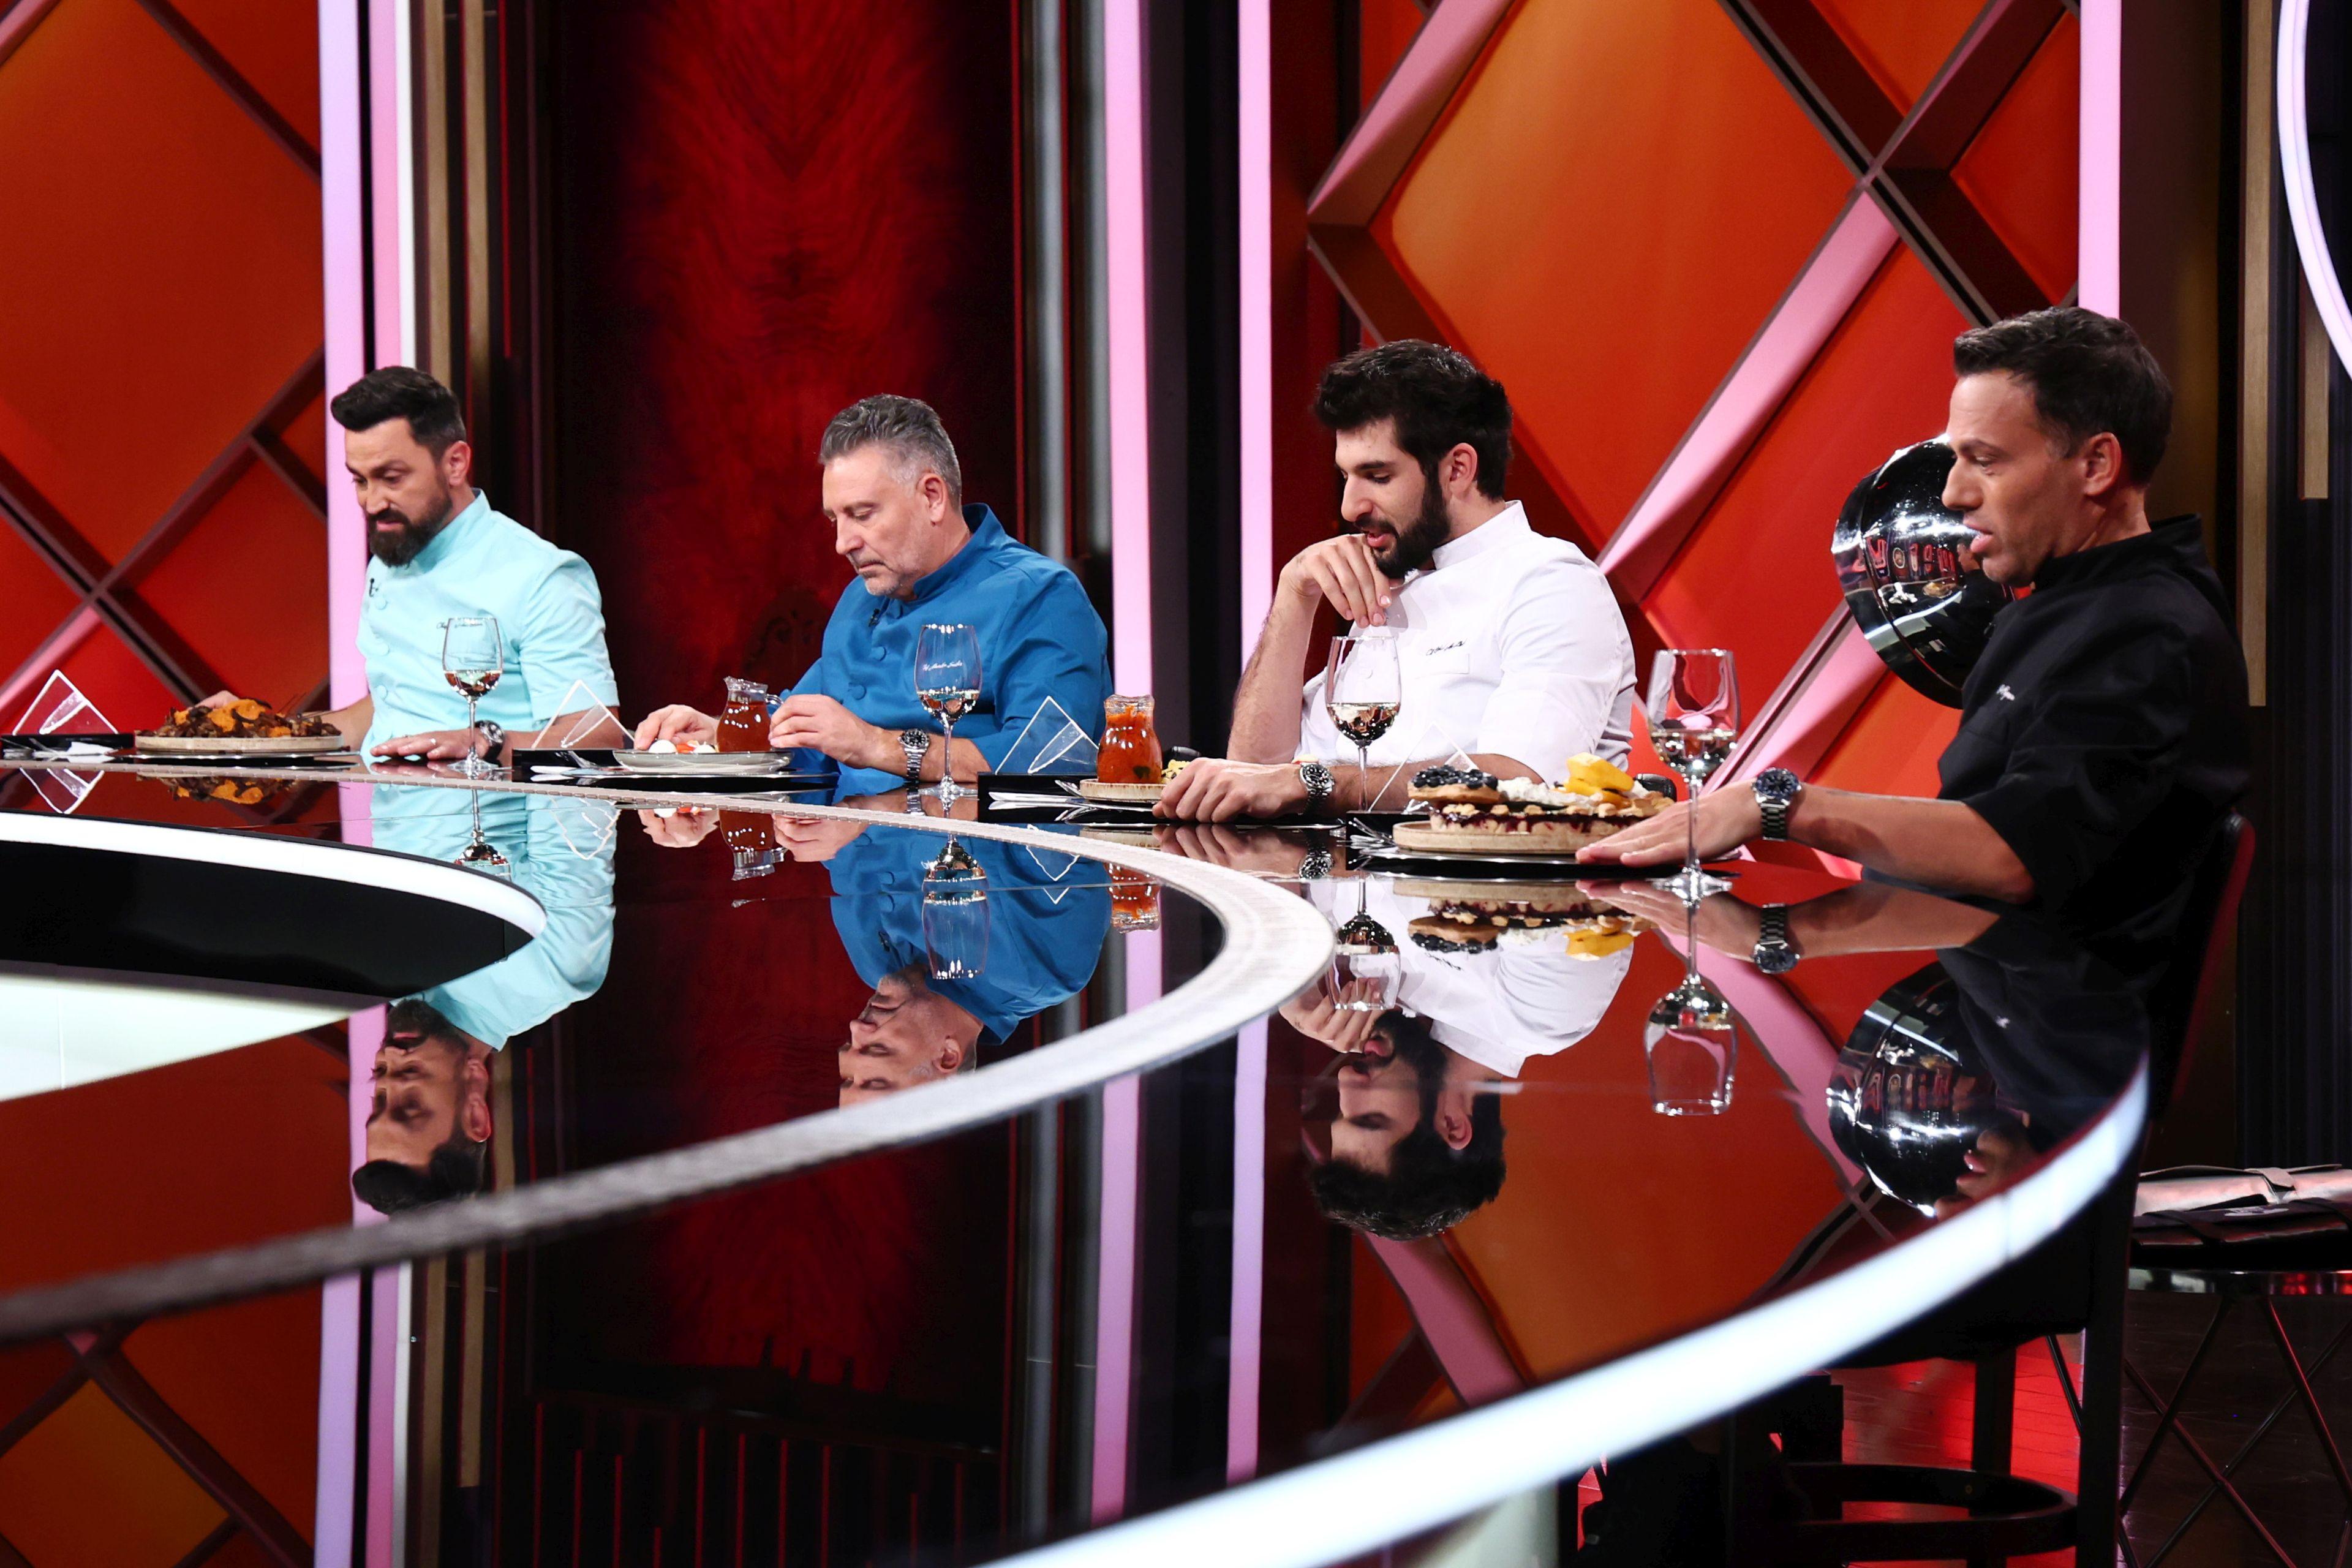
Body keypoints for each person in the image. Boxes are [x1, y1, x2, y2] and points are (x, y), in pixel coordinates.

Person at [1582, 307, 2250, 973]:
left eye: (1985, 461)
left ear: (2097, 464)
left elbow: (2013, 853)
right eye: (1956, 459)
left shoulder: (2146, 632)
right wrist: (1782, 938)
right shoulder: (2067, 606)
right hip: (1978, 991)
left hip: (2059, 1024)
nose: (1954, 493)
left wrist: (1774, 805)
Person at [1158, 339, 1636, 823]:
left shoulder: (1551, 582)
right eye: (1346, 476)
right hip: (1333, 868)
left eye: (1377, 476)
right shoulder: (1389, 578)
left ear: (1458, 470)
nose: (1350, 507)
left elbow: (1520, 779)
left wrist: (1312, 784)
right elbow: (1255, 771)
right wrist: (1294, 594)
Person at [635, 396, 1110, 795]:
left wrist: (875, 745)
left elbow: (1050, 762)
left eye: (862, 515)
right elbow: (801, 729)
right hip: (849, 857)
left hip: (985, 870)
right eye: (835, 520)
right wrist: (719, 734)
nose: (843, 543)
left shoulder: (1041, 597)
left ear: (932, 497)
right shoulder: (859, 599)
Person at [207, 368, 623, 764]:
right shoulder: (390, 559)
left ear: (455, 463)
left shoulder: (541, 576)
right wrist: (262, 732)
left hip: (495, 815)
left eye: (392, 478)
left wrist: (486, 741)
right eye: (360, 480)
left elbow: (599, 738)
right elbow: (391, 712)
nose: (372, 503)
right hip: (389, 813)